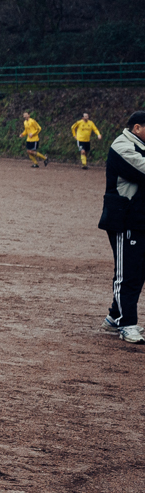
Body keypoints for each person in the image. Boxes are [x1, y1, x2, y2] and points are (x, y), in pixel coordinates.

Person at [101, 111, 145, 342]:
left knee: (138, 271)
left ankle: (114, 317)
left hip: (140, 219)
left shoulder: (140, 145)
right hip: (125, 219)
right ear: (137, 128)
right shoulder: (122, 146)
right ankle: (126, 323)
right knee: (126, 273)